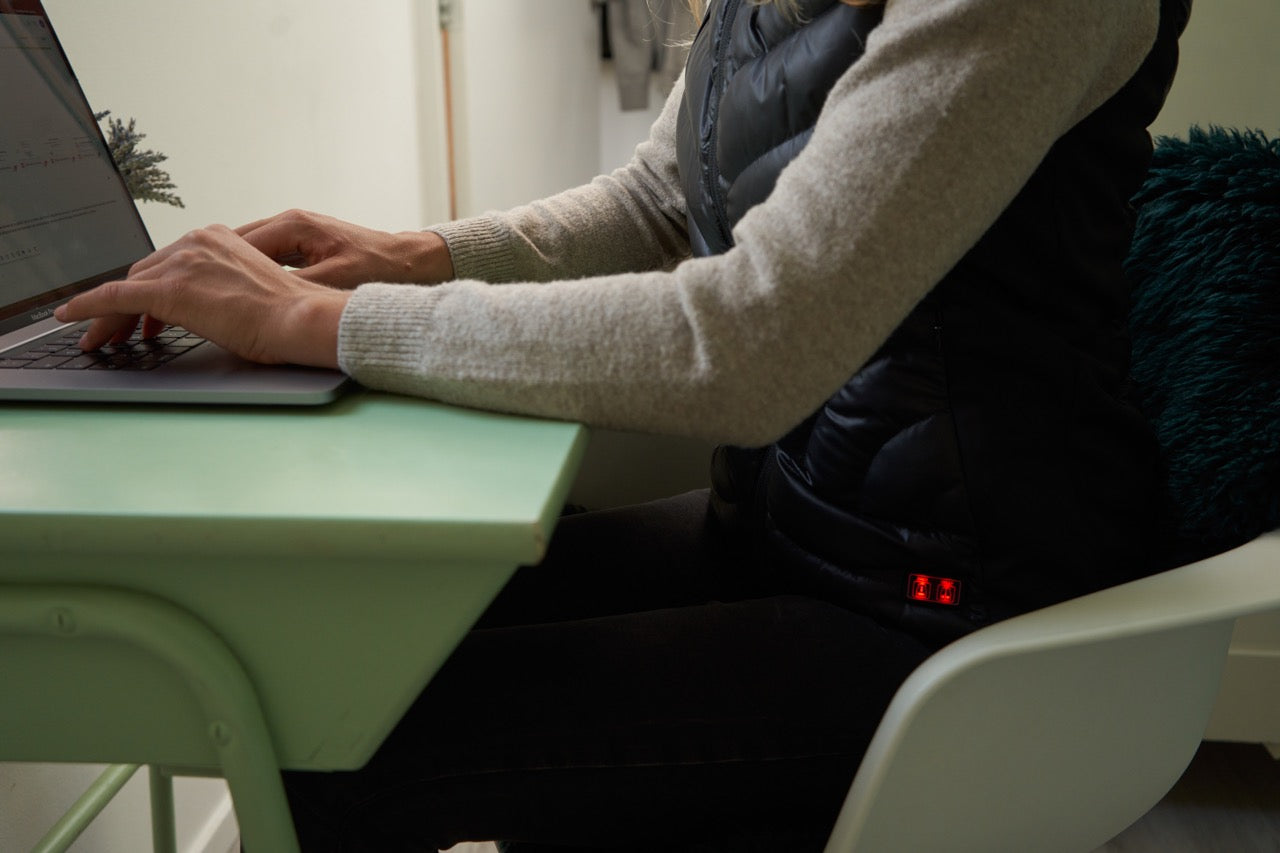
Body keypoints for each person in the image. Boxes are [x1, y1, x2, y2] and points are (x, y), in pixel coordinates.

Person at [56, 0, 1191, 848]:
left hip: (949, 606)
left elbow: (746, 342)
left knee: (357, 748)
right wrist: (412, 254)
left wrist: (324, 321)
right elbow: (657, 198)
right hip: (798, 528)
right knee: (341, 664)